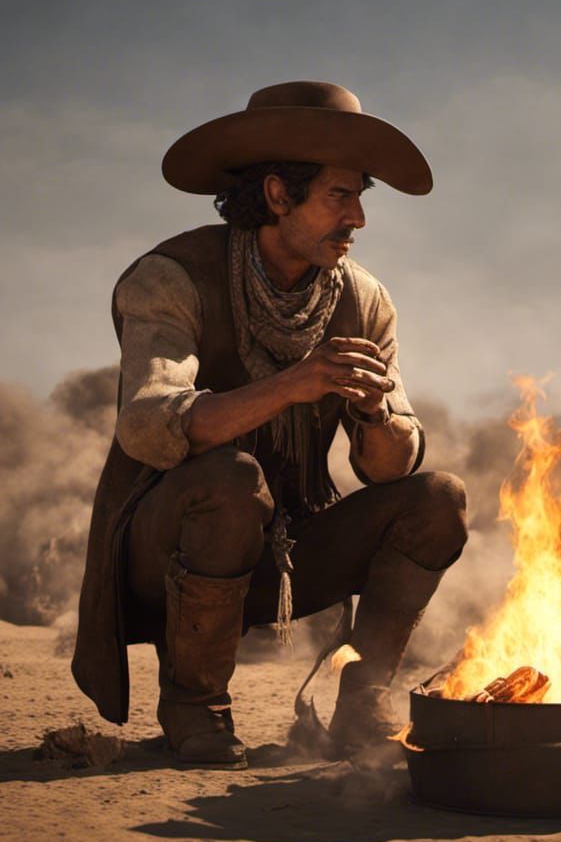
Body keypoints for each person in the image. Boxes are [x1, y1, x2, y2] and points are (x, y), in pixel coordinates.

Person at [72, 81, 467, 769]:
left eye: (360, 197)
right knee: (231, 480)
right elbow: (147, 425)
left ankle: (362, 709)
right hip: (164, 553)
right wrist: (292, 385)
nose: (358, 218)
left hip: (287, 553)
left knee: (438, 500)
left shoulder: (365, 299)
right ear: (279, 195)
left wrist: (374, 412)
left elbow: (389, 467)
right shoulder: (171, 276)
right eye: (339, 196)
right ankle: (195, 707)